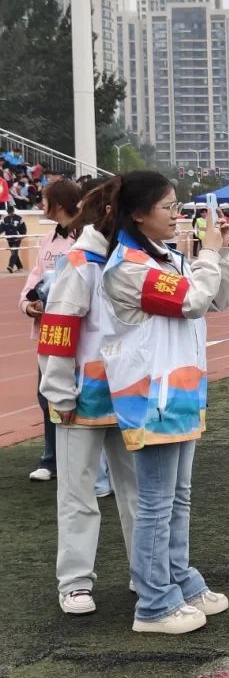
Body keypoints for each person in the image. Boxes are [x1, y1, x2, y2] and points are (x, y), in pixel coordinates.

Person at [99, 171, 229, 634]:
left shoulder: (167, 258)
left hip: (179, 393)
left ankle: (179, 579)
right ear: (139, 215)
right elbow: (192, 301)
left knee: (178, 497)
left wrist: (222, 253)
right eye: (168, 208)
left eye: (177, 206)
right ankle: (154, 601)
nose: (177, 216)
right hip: (150, 398)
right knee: (157, 503)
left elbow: (218, 298)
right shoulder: (129, 268)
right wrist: (209, 255)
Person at [38, 179, 138, 616]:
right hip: (83, 398)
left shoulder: (139, 258)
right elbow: (58, 329)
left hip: (131, 394)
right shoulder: (81, 263)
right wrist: (60, 392)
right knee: (78, 494)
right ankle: (75, 582)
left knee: (140, 493)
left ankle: (147, 571)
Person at [20, 179, 80, 482]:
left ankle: (81, 462)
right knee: (47, 395)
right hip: (49, 331)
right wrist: (27, 304)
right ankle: (51, 460)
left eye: (44, 199)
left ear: (57, 203)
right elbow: (36, 277)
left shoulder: (84, 237)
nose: (40, 204)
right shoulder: (48, 239)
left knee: (76, 395)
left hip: (76, 331)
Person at [2, 205, 26, 272]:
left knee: (14, 252)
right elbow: (1, 228)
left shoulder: (19, 218)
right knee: (14, 253)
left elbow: (23, 228)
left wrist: (23, 235)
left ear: (13, 211)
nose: (10, 214)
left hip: (17, 238)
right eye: (9, 212)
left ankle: (10, 266)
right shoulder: (5, 219)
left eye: (11, 212)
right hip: (9, 239)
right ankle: (20, 267)